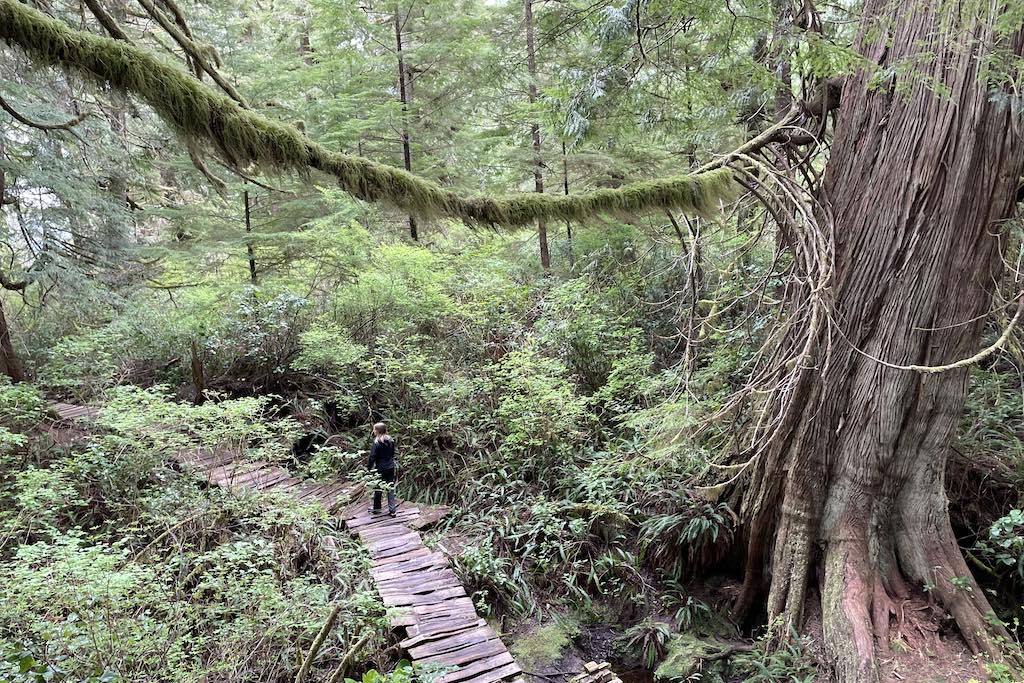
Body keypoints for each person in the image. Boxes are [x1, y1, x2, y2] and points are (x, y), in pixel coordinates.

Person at [367, 421, 398, 516]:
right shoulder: (391, 440)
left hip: (380, 468)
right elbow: (392, 453)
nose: (373, 431)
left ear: (378, 431)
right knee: (390, 488)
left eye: (374, 429)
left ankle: (377, 508)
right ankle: (392, 510)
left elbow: (372, 456)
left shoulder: (377, 442)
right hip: (390, 467)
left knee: (378, 487)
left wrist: (369, 468)